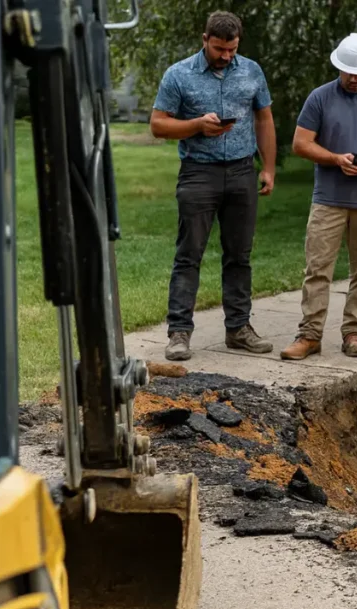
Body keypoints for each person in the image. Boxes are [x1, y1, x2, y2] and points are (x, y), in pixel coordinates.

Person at [150, 10, 277, 361]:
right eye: (219, 49)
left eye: (231, 50)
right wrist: (196, 125)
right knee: (189, 254)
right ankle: (179, 333)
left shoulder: (251, 71)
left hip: (241, 172)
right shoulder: (179, 75)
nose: (225, 56)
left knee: (240, 255)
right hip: (198, 174)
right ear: (205, 40)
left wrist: (267, 168)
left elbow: (264, 117)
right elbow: (158, 125)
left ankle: (238, 329)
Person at [279, 32, 357, 361]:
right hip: (329, 198)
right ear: (339, 67)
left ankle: (354, 331)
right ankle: (309, 335)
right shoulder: (319, 98)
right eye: (348, 71)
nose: (353, 78)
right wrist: (336, 159)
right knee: (318, 268)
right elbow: (301, 143)